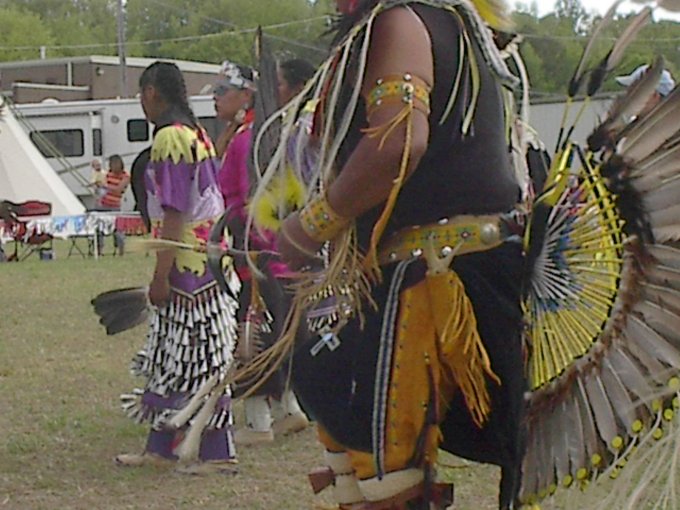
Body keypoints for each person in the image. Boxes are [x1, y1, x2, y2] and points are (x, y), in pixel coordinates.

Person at [249, 0, 527, 507]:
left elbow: (398, 143)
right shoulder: (455, 25)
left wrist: (310, 227)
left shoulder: (400, 21)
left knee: (383, 482)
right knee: (354, 466)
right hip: (439, 273)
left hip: (429, 283)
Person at [115, 61, 240, 475]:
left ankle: (217, 452)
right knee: (175, 353)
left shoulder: (171, 138)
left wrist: (160, 273)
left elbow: (174, 210)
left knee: (195, 354)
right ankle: (162, 445)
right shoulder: (196, 133)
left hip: (189, 262)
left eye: (141, 93)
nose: (141, 101)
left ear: (152, 92)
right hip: (210, 257)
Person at [215, 61, 310, 446]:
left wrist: (240, 238)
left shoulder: (247, 141)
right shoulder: (291, 136)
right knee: (281, 331)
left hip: (259, 254)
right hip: (294, 252)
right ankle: (290, 410)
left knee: (251, 333)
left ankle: (258, 423)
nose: (217, 97)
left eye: (223, 90)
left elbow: (238, 200)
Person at [96, 155, 130, 255]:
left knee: (118, 230)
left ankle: (121, 250)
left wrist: (106, 187)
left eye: (113, 164)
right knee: (99, 229)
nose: (111, 166)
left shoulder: (125, 176)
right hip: (103, 204)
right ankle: (99, 250)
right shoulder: (108, 174)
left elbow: (118, 190)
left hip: (115, 206)